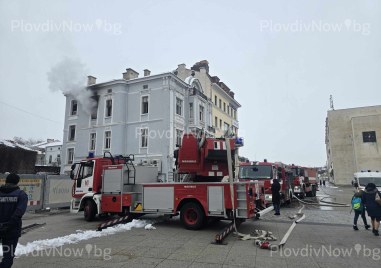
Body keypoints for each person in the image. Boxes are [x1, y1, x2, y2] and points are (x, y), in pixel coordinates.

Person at [0, 173, 28, 267]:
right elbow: (18, 213)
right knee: (8, 257)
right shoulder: (21, 195)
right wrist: (8, 226)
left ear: (6, 181)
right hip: (11, 230)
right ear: (17, 182)